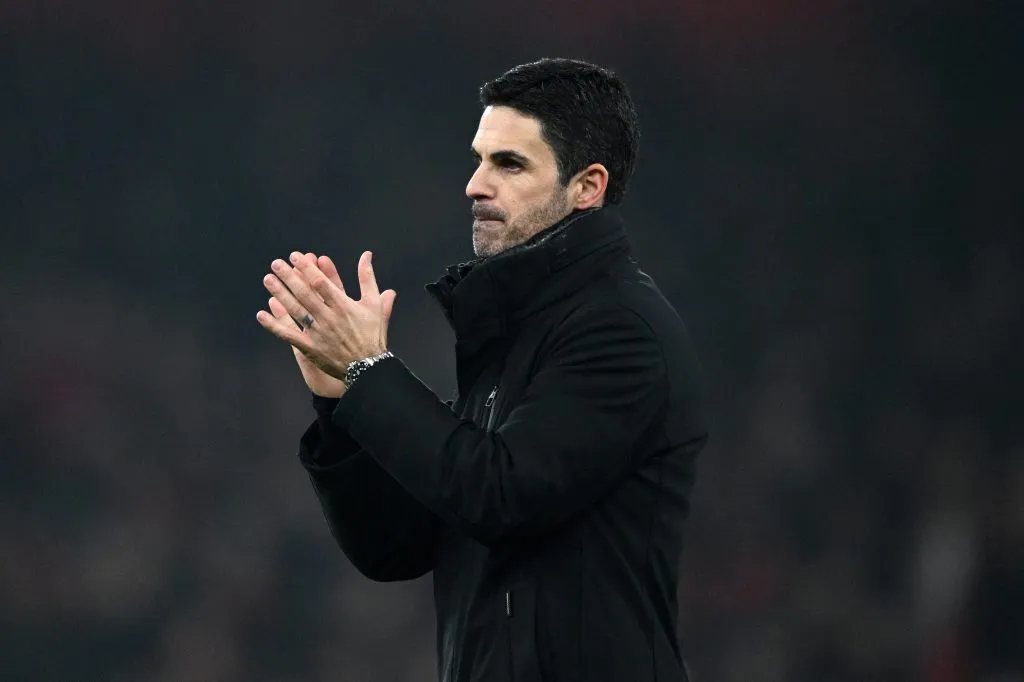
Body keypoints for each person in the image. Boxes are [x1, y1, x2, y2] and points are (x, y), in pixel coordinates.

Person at [257, 57, 709, 682]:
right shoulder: (513, 333)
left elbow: (501, 496)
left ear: (587, 186)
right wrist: (340, 405)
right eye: (479, 159)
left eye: (509, 164)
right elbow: (396, 547)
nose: (475, 184)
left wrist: (370, 370)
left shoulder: (621, 330)